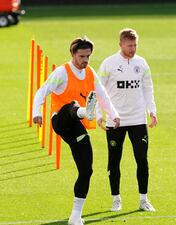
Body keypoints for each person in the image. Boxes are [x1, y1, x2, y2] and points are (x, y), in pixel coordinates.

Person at [32, 37, 120, 225]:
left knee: (87, 170)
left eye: (88, 56)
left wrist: (114, 115)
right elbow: (42, 91)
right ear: (72, 54)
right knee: (71, 107)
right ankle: (84, 111)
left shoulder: (90, 73)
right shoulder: (61, 72)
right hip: (61, 120)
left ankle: (75, 216)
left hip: (76, 128)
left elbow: (103, 96)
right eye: (81, 56)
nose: (85, 60)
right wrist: (36, 112)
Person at [97, 28, 157, 212]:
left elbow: (148, 88)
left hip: (138, 119)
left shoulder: (142, 63)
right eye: (129, 45)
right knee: (114, 161)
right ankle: (116, 199)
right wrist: (99, 115)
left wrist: (152, 111)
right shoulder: (109, 63)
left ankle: (143, 199)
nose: (133, 49)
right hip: (115, 121)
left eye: (135, 45)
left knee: (142, 159)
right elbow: (98, 91)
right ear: (120, 44)